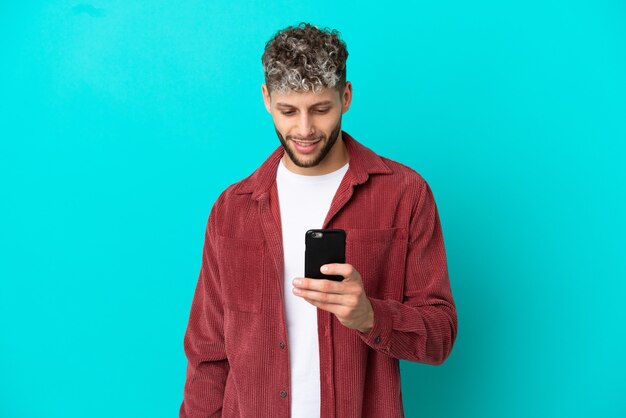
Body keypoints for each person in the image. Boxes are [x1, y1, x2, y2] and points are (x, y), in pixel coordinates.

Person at [179, 22, 457, 418]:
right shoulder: (232, 209)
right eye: (288, 110)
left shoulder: (405, 194)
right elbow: (207, 353)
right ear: (266, 99)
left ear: (345, 97)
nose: (304, 130)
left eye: (320, 109)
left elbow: (441, 334)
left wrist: (370, 316)